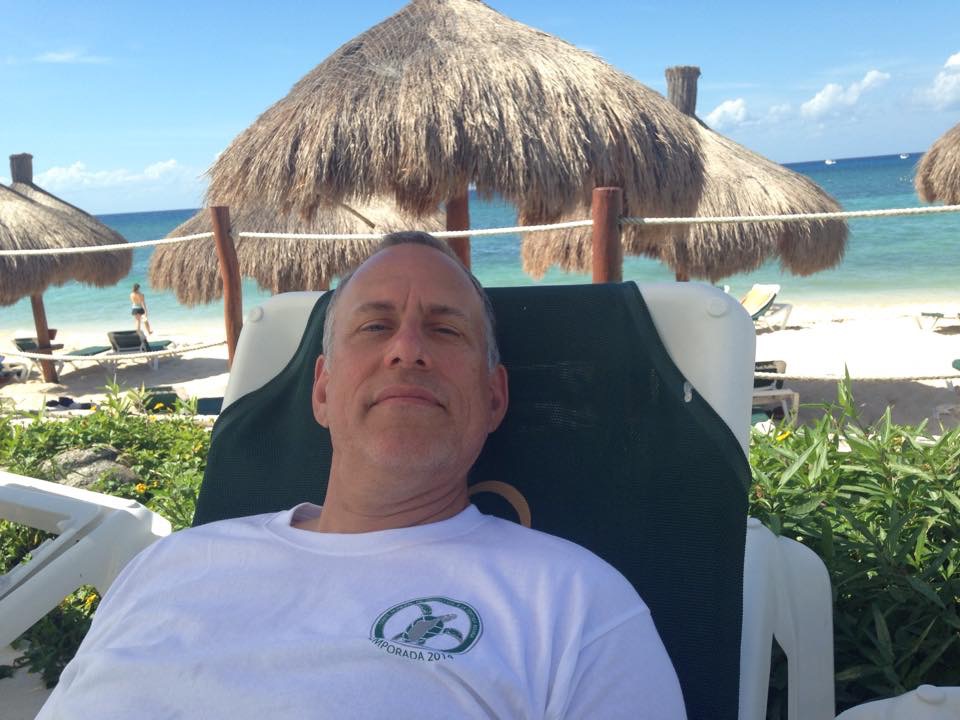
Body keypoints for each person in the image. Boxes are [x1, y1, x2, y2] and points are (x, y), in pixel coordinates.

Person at [39, 232, 686, 719]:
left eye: (445, 328)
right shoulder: (171, 565)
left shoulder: (575, 605)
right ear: (321, 391)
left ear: (494, 398)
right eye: (375, 325)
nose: (407, 347)